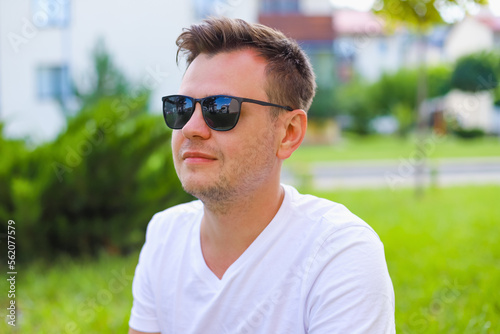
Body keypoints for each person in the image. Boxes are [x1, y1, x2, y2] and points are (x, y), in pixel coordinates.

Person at [128, 17, 395, 334]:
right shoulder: (165, 235)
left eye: (221, 109)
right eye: (182, 107)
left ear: (289, 133)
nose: (190, 128)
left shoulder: (338, 253)